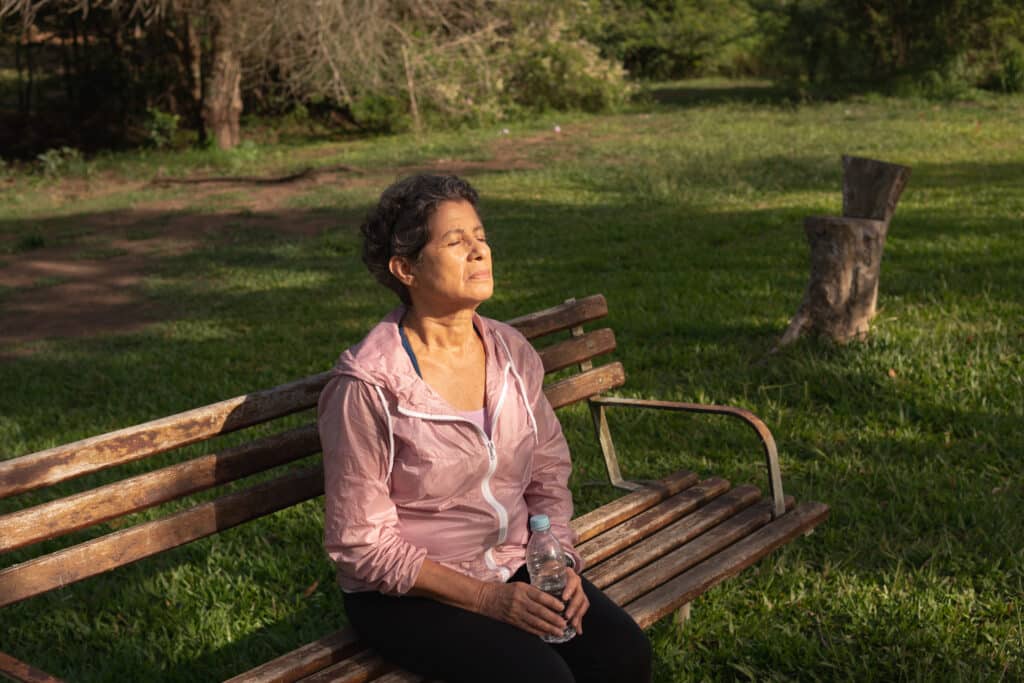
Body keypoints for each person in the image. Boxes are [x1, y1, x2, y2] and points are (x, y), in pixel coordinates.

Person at [318, 174, 652, 683]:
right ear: (405, 268)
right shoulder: (368, 386)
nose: (479, 252)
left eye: (480, 236)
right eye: (455, 242)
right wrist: (488, 600)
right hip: (410, 592)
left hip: (515, 560)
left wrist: (558, 563)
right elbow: (361, 544)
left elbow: (547, 470)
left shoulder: (510, 351)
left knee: (624, 654)